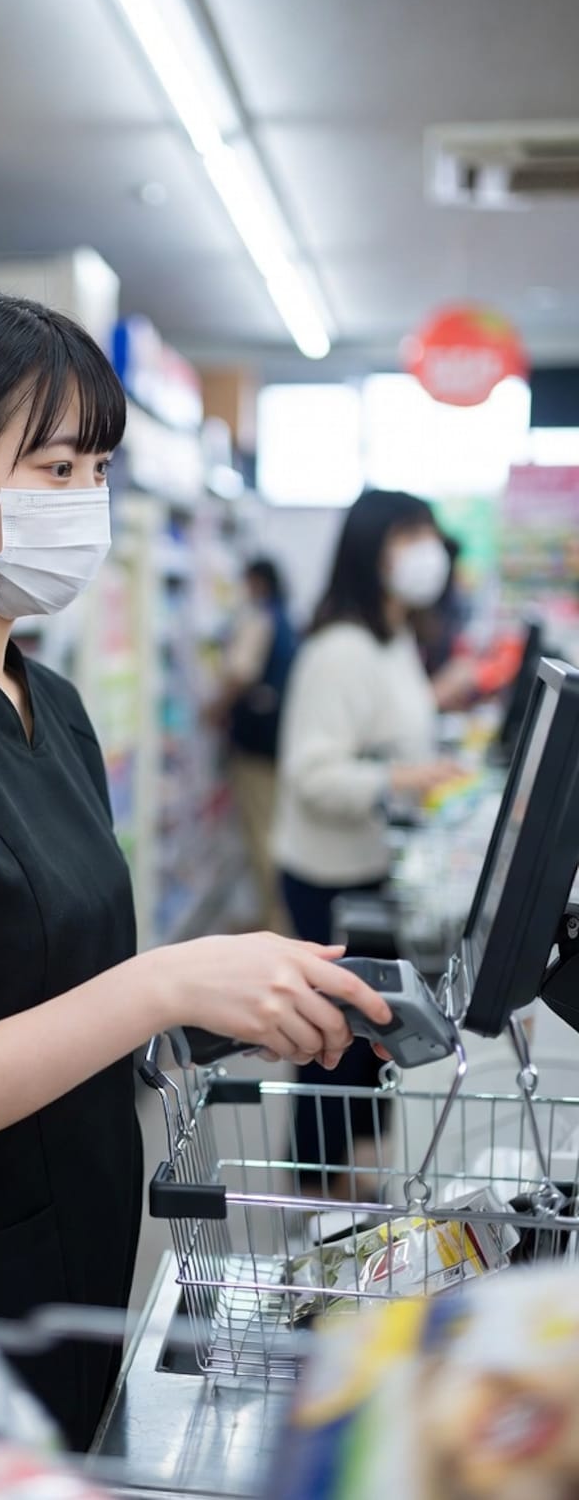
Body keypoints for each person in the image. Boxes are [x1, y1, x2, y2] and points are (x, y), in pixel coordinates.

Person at [0, 289, 391, 1462]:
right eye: (52, 467)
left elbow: (48, 987)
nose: (85, 501)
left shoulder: (53, 703)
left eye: (95, 465)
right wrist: (161, 983)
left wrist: (230, 1002)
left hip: (63, 1269)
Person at [273, 490, 462, 1176]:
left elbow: (384, 729)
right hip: (329, 877)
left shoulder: (393, 636)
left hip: (369, 864)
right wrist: (403, 781)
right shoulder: (340, 649)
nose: (426, 552)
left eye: (429, 535)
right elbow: (311, 775)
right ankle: (312, 1194)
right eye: (408, 535)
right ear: (369, 548)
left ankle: (346, 1187)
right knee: (331, 1046)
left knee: (366, 1042)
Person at [215, 557, 297, 933]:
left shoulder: (259, 618)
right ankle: (271, 918)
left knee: (262, 831)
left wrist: (214, 708)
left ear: (258, 583)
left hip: (256, 743)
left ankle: (274, 924)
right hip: (279, 739)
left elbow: (241, 673)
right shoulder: (288, 618)